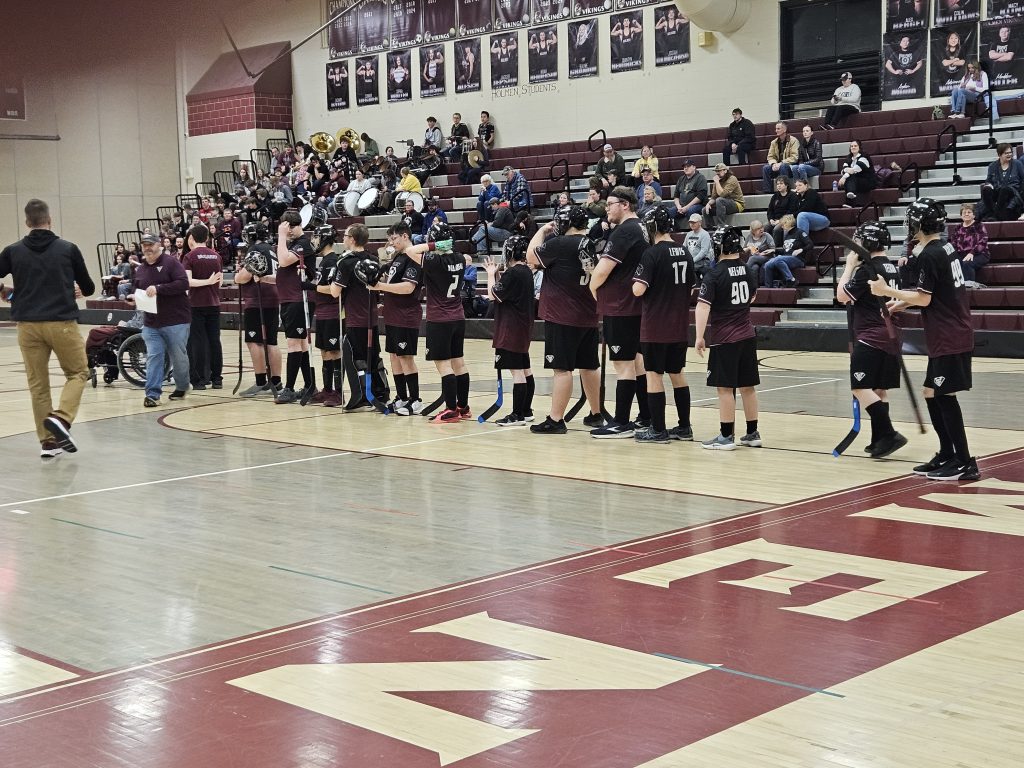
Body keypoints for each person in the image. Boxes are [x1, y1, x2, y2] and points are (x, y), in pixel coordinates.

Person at [869, 198, 978, 481]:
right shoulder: (945, 246)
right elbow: (935, 291)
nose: (909, 226)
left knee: (944, 395)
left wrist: (886, 291)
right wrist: (900, 304)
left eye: (911, 221)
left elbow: (924, 298)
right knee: (931, 392)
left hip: (949, 334)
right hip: (949, 330)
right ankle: (947, 453)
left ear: (919, 224)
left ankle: (965, 461)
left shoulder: (930, 254)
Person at [0, 198, 94, 458]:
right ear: (49, 220)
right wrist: (74, 288)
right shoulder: (67, 249)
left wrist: (6, 294)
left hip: (27, 326)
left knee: (38, 384)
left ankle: (49, 443)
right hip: (61, 322)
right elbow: (88, 288)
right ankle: (62, 419)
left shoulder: (13, 251)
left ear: (28, 222)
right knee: (78, 372)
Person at [527, 206, 603, 433]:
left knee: (562, 369)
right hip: (587, 314)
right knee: (589, 366)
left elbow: (531, 257)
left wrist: (541, 231)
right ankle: (596, 413)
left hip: (562, 315)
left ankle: (556, 419)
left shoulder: (560, 244)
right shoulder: (590, 243)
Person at [835, 221, 907, 459]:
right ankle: (880, 440)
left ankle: (888, 433)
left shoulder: (867, 270)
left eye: (858, 240)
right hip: (892, 336)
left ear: (866, 243)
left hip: (871, 337)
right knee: (879, 389)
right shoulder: (893, 267)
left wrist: (848, 267)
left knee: (860, 387)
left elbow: (841, 296)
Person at [630, 206, 696, 443]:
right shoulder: (685, 252)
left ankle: (658, 429)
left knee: (654, 375)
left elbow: (638, 290)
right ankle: (684, 427)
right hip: (679, 325)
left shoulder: (652, 253)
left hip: (656, 326)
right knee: (677, 374)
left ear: (653, 227)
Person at [589, 186, 650, 439]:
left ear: (625, 204)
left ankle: (621, 422)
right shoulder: (643, 227)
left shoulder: (624, 230)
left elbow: (602, 271)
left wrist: (593, 289)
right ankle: (646, 416)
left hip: (621, 306)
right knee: (637, 362)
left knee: (622, 364)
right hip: (636, 305)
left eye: (611, 203)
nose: (607, 208)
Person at [694, 227, 761, 451]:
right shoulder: (748, 269)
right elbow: (753, 295)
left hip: (725, 338)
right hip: (747, 335)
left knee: (724, 388)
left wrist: (699, 336)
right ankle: (752, 433)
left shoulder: (714, 274)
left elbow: (703, 306)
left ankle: (726, 436)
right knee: (747, 387)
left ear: (720, 246)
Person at [405, 220, 472, 422]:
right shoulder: (459, 258)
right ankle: (463, 406)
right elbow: (467, 258)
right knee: (459, 363)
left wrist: (433, 246)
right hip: (458, 316)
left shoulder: (434, 260)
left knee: (443, 365)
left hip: (440, 319)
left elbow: (410, 250)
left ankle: (451, 409)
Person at [370, 222, 424, 415]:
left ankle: (415, 399)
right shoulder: (397, 257)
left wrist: (380, 287)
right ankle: (402, 397)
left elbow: (408, 287)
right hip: (393, 313)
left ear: (404, 236)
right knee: (394, 356)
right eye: (389, 239)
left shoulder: (413, 257)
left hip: (406, 314)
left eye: (394, 238)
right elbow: (391, 283)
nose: (391, 243)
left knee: (405, 357)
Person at [330, 224, 386, 410]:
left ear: (352, 239)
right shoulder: (373, 259)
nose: (343, 239)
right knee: (373, 355)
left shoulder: (345, 262)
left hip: (354, 317)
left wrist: (332, 278)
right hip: (371, 317)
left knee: (355, 358)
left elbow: (334, 292)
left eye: (345, 235)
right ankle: (380, 392)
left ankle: (360, 395)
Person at [133, 233, 191, 407]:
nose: (147, 248)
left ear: (159, 245)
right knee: (154, 356)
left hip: (176, 320)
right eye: (144, 245)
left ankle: (182, 386)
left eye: (150, 244)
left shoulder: (171, 263)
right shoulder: (140, 269)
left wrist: (159, 288)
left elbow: (183, 283)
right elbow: (137, 289)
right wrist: (132, 297)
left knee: (178, 356)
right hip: (151, 323)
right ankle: (152, 395)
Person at [483, 235, 536, 426]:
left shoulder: (513, 273)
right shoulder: (526, 272)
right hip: (522, 327)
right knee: (525, 370)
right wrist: (498, 275)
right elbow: (506, 292)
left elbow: (492, 295)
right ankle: (526, 410)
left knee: (517, 373)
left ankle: (517, 415)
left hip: (510, 328)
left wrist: (490, 274)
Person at [273, 209, 316, 404]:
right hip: (289, 299)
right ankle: (309, 385)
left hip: (299, 300)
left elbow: (283, 260)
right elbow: (285, 270)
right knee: (301, 343)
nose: (285, 232)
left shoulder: (303, 244)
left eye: (287, 228)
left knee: (294, 343)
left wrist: (281, 237)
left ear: (293, 227)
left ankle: (289, 388)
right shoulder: (295, 244)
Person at [235, 223, 283, 397]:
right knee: (271, 341)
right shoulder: (271, 249)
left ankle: (261, 381)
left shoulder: (254, 249)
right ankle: (276, 382)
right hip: (273, 297)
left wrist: (237, 276)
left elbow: (244, 277)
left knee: (254, 341)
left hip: (257, 300)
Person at [182, 224, 224, 390]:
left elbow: (188, 281)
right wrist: (210, 285)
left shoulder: (190, 257)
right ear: (207, 237)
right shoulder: (216, 256)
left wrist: (205, 282)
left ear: (192, 237)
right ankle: (217, 379)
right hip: (213, 303)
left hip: (196, 304)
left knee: (198, 342)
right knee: (214, 341)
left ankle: (199, 381)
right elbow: (219, 282)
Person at [309, 223, 343, 407]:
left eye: (316, 237)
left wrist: (311, 286)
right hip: (321, 312)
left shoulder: (332, 260)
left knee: (334, 351)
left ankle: (338, 392)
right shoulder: (323, 260)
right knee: (324, 351)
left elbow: (332, 290)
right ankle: (327, 389)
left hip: (331, 313)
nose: (314, 241)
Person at [764, 214, 814, 288]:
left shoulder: (799, 232)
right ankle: (769, 288)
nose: (781, 226)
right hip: (787, 257)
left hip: (798, 259)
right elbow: (786, 251)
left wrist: (801, 250)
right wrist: (773, 250)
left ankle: (791, 280)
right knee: (768, 264)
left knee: (778, 259)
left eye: (783, 224)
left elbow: (810, 244)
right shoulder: (786, 235)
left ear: (788, 224)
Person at [978, 143, 1024, 221]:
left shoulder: (1017, 164)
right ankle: (993, 212)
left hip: (1012, 191)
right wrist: (988, 185)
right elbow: (988, 181)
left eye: (1010, 152)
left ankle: (995, 215)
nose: (1009, 154)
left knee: (1004, 189)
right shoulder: (992, 166)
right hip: (997, 190)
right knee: (986, 190)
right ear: (999, 154)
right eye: (1006, 153)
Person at [948, 202, 990, 286]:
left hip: (980, 254)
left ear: (974, 215)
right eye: (964, 212)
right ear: (961, 215)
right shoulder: (958, 228)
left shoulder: (979, 225)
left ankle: (969, 287)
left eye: (969, 212)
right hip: (962, 254)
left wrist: (972, 253)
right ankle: (956, 289)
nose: (966, 214)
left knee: (967, 263)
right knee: (952, 264)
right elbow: (954, 243)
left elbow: (983, 241)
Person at [837, 139, 878, 205]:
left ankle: (849, 201)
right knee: (849, 177)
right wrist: (846, 171)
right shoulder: (849, 157)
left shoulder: (864, 156)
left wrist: (844, 176)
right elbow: (843, 170)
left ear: (859, 147)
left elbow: (855, 169)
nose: (853, 147)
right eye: (851, 146)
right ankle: (850, 196)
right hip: (856, 181)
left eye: (855, 146)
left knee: (849, 177)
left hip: (868, 181)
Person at [703, 163, 745, 228]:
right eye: (716, 171)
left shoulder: (732, 179)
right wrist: (708, 204)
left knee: (719, 200)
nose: (717, 173)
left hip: (737, 204)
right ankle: (710, 228)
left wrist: (717, 182)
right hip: (722, 205)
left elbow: (723, 194)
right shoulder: (717, 181)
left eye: (719, 171)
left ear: (725, 171)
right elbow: (714, 197)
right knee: (705, 209)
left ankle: (721, 225)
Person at [760, 122, 799, 192]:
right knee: (765, 168)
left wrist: (781, 163)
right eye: (776, 129)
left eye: (778, 129)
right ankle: (767, 190)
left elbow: (794, 157)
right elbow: (770, 156)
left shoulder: (793, 140)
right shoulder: (773, 142)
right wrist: (773, 164)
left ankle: (785, 189)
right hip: (777, 166)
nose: (776, 130)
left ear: (784, 130)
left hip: (789, 166)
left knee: (783, 166)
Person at [672, 158, 708, 226]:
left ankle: (693, 232)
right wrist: (678, 206)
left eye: (688, 166)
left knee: (690, 211)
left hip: (698, 205)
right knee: (670, 212)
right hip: (682, 206)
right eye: (684, 167)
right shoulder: (681, 179)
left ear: (694, 167)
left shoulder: (700, 178)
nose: (686, 168)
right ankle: (675, 231)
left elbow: (701, 196)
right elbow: (676, 196)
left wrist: (687, 207)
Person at [767, 176, 801, 243]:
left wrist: (780, 221)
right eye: (777, 184)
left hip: (787, 219)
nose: (779, 186)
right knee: (766, 227)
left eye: (781, 183)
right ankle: (767, 246)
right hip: (775, 220)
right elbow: (770, 210)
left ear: (786, 185)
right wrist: (771, 219)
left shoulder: (792, 195)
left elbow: (792, 211)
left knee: (776, 229)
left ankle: (775, 248)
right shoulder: (775, 196)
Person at [742, 220, 776, 286]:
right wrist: (749, 248)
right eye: (758, 229)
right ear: (753, 231)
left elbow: (773, 249)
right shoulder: (749, 237)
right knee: (754, 267)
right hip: (755, 259)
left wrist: (764, 253)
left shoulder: (767, 236)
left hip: (767, 257)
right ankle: (755, 288)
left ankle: (743, 273)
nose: (761, 230)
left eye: (761, 227)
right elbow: (743, 249)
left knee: (753, 258)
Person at [683, 212, 714, 280]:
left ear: (700, 223)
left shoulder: (705, 234)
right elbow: (684, 248)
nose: (692, 224)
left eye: (694, 222)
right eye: (690, 222)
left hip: (703, 265)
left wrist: (692, 260)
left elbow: (704, 251)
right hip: (692, 264)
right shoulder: (688, 234)